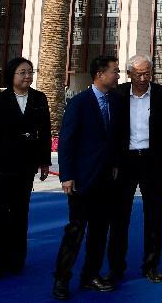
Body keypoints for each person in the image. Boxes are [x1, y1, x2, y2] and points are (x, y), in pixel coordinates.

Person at [0, 57, 51, 281]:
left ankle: (15, 259)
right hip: (0, 166)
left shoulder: (39, 98)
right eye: (22, 72)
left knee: (20, 212)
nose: (27, 76)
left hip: (25, 166)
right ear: (11, 75)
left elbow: (45, 132)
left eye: (30, 72)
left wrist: (44, 161)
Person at [52, 55, 123, 300]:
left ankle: (90, 275)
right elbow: (67, 141)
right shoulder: (80, 102)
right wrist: (67, 175)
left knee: (99, 231)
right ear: (100, 74)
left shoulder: (115, 101)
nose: (118, 75)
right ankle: (62, 279)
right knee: (75, 231)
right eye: (115, 71)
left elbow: (115, 137)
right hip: (82, 180)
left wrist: (115, 163)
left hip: (106, 180)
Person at [107, 54, 162, 284]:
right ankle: (116, 268)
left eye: (147, 74)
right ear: (129, 74)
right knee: (119, 217)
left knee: (154, 216)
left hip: (152, 162)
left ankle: (151, 266)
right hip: (124, 162)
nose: (143, 78)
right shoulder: (117, 95)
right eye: (138, 74)